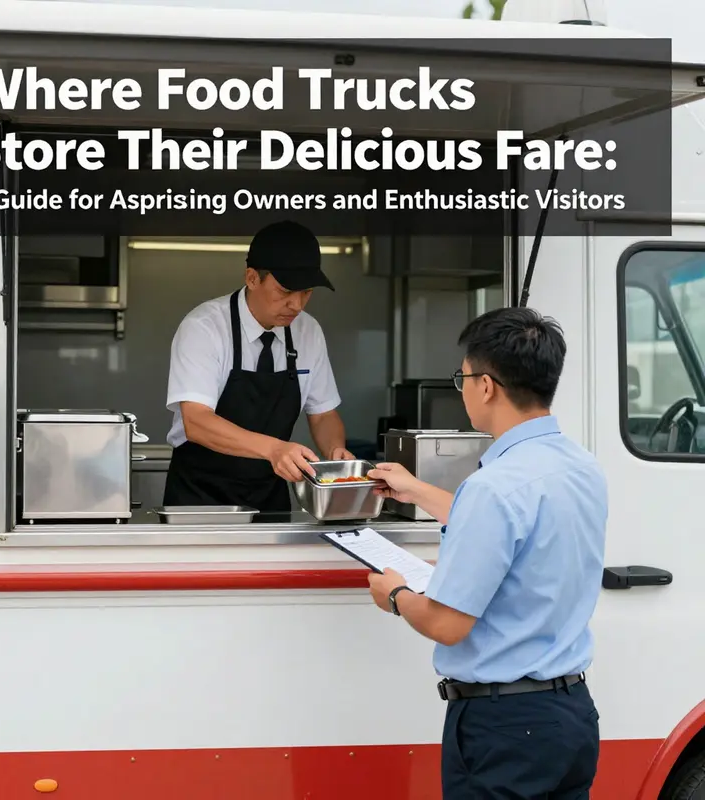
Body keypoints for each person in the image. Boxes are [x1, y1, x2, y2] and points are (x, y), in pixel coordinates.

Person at [366, 307, 608, 799]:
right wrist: (417, 490)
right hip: (571, 715)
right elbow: (515, 526)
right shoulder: (581, 466)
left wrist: (395, 595)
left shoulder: (493, 488)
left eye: (463, 378)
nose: (463, 390)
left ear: (486, 386)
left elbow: (446, 624)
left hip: (504, 728)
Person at [163, 220, 354, 512]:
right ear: (252, 278)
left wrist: (334, 451)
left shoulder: (308, 331)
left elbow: (323, 414)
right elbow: (197, 421)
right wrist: (274, 449)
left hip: (269, 496)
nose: (297, 305)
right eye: (285, 291)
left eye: (306, 292)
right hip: (200, 496)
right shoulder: (204, 327)